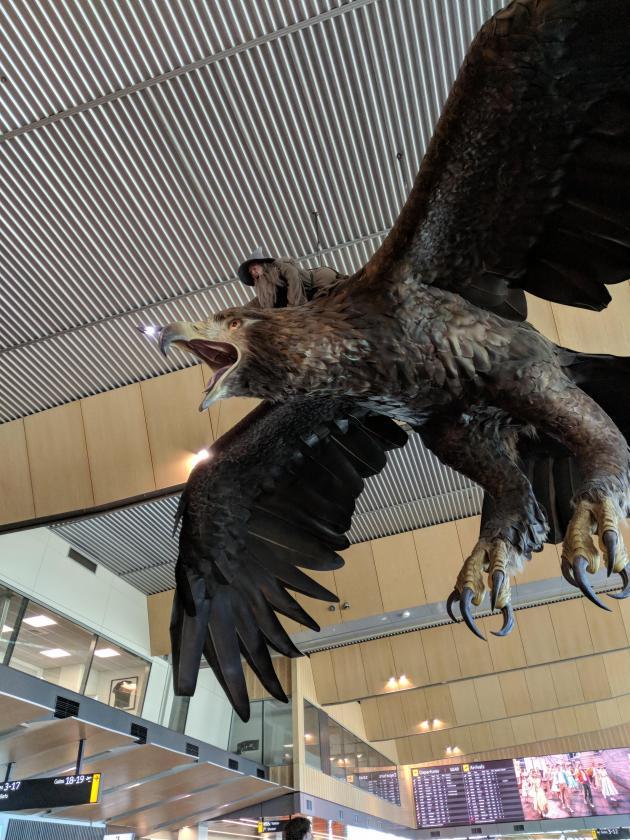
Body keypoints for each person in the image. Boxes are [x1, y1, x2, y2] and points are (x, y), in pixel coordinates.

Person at [238, 248, 345, 309]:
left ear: (261, 263)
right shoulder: (264, 285)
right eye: (251, 272)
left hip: (320, 280)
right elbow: (259, 302)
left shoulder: (279, 266)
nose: (254, 272)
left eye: (254, 268)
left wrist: (294, 308)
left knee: (331, 305)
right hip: (310, 294)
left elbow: (293, 277)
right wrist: (242, 310)